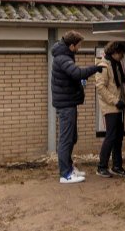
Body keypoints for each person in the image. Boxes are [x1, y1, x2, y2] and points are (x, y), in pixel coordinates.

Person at [51, 30, 102, 184]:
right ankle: (65, 174)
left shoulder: (65, 56)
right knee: (66, 140)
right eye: (79, 45)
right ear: (72, 45)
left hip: (69, 104)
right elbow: (77, 73)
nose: (80, 48)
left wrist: (80, 81)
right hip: (66, 106)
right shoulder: (62, 58)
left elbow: (73, 76)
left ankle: (70, 168)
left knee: (72, 138)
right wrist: (96, 67)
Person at [94, 41, 125, 178]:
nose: (122, 57)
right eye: (121, 54)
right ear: (115, 52)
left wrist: (123, 102)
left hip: (118, 107)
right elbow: (100, 88)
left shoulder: (115, 65)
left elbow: (118, 87)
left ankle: (117, 166)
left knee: (118, 137)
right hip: (110, 107)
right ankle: (101, 166)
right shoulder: (104, 66)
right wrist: (116, 101)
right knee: (110, 136)